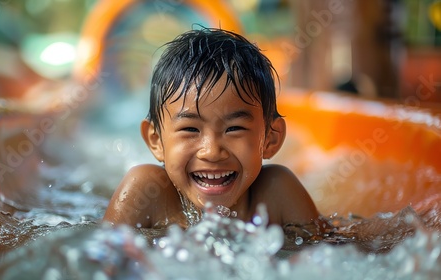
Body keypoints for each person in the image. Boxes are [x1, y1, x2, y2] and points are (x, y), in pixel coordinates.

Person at [103, 27, 320, 233]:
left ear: (270, 139)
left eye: (234, 128)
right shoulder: (147, 193)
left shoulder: (277, 192)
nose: (212, 151)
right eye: (190, 129)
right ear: (156, 140)